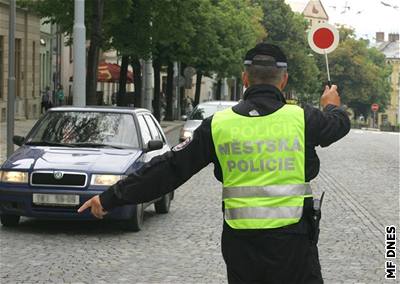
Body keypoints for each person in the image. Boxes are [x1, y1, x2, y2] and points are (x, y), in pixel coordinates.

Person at [78, 43, 350, 283]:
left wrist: (111, 197)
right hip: (294, 243)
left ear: (245, 79)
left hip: (243, 247)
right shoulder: (302, 119)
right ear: (284, 80)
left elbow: (170, 168)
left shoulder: (218, 125)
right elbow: (339, 125)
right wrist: (330, 104)